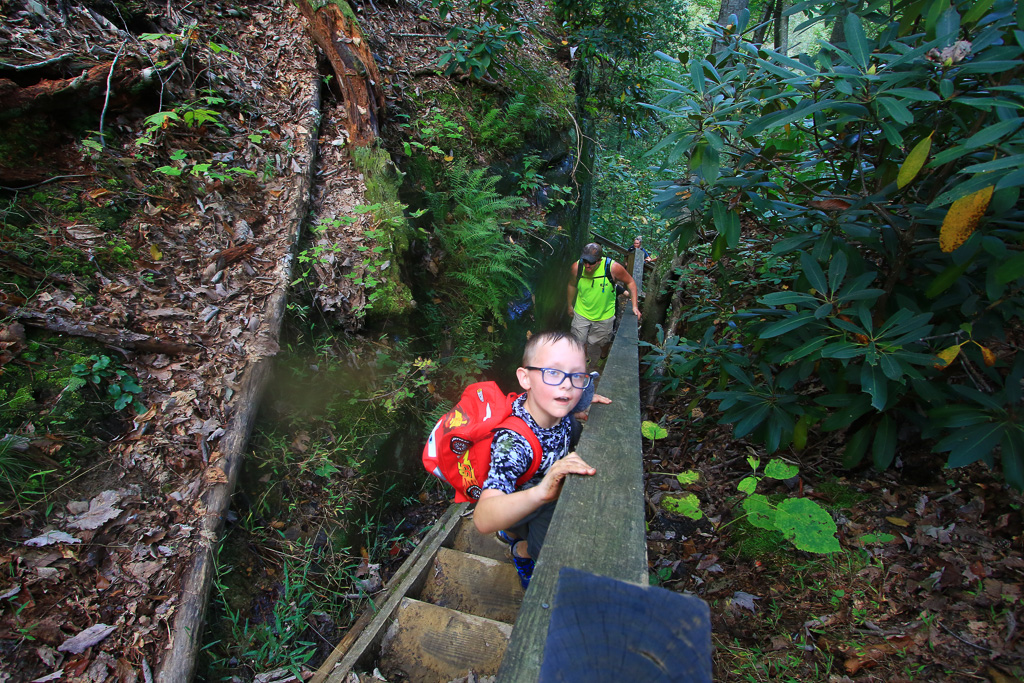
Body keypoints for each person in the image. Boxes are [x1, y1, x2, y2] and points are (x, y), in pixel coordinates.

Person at [473, 331, 597, 588]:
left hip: (540, 491)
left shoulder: (555, 401)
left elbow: (569, 394)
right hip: (532, 499)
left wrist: (584, 401)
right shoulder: (513, 443)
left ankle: (511, 533)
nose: (567, 385)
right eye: (553, 372)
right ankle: (521, 551)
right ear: (525, 378)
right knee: (547, 549)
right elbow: (482, 518)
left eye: (577, 376)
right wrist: (542, 493)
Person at [567, 243, 640, 369]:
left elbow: (631, 282)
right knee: (579, 341)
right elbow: (572, 285)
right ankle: (585, 359)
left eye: (591, 262)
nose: (587, 266)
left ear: (600, 260)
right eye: (585, 261)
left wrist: (634, 306)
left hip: (604, 314)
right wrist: (569, 305)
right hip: (581, 312)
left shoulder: (613, 268)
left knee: (602, 341)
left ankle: (603, 355)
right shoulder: (577, 267)